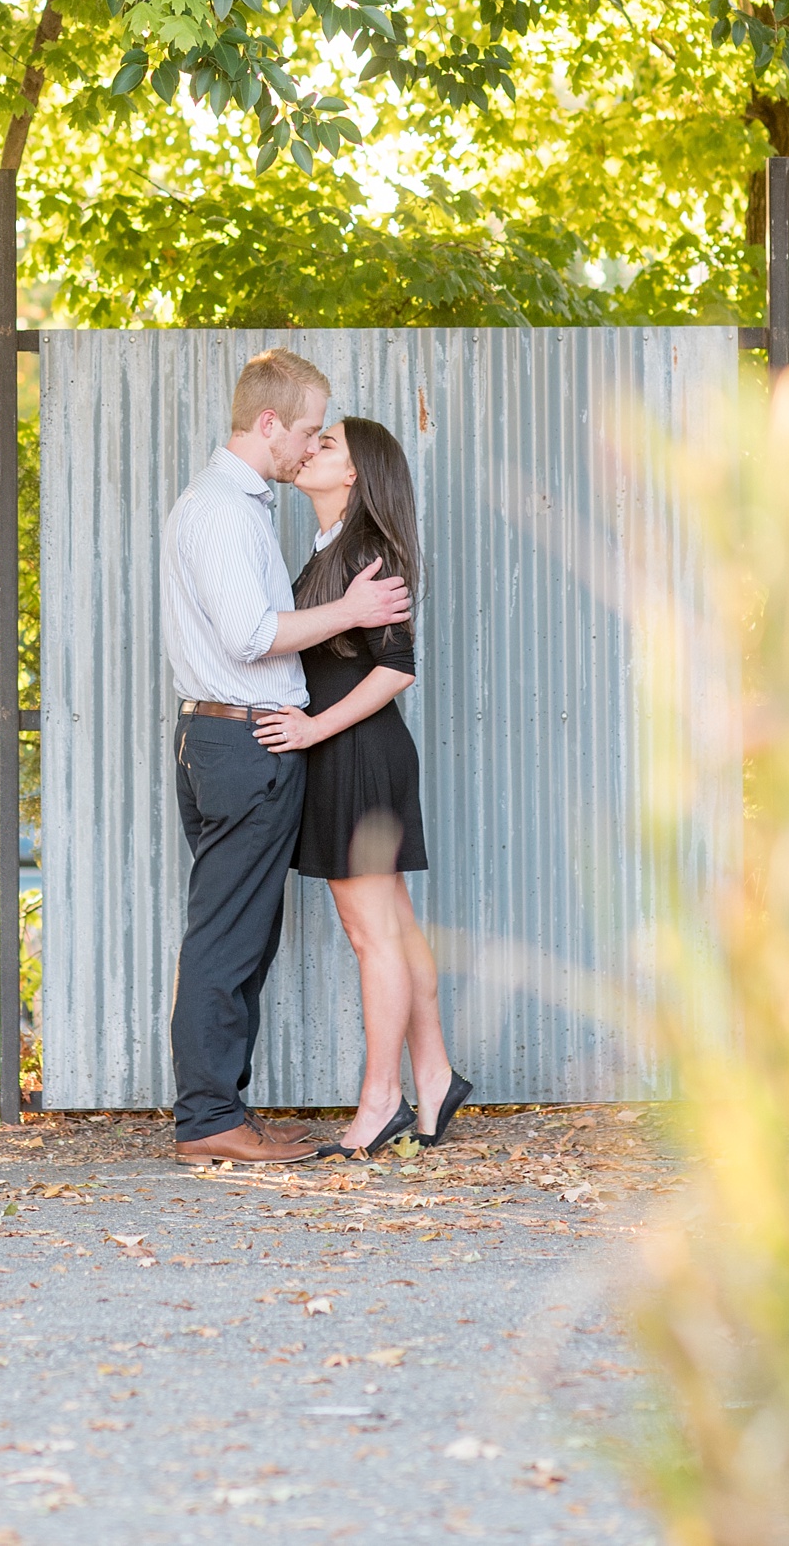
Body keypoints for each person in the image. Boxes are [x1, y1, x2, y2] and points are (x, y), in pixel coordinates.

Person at [164, 350, 414, 1166]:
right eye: (308, 430)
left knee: (240, 931)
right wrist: (350, 608)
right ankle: (209, 1117)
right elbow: (251, 634)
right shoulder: (223, 512)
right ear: (269, 422)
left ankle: (222, 1109)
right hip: (243, 739)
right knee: (229, 935)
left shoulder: (240, 508)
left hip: (242, 737)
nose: (309, 446)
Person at [254, 418, 472, 1156]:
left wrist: (314, 730)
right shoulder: (328, 550)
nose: (310, 446)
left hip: (357, 753)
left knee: (370, 934)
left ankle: (382, 1102)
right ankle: (434, 1075)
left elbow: (396, 667)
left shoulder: (366, 551)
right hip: (355, 754)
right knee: (396, 928)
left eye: (329, 444)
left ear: (354, 473)